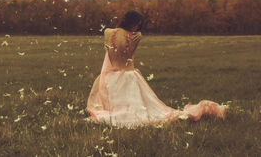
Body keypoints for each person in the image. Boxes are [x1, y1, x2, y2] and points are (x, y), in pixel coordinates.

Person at [86, 10, 226, 128]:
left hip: (111, 77)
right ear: (132, 23)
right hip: (127, 76)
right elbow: (129, 56)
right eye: (137, 25)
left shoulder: (108, 32)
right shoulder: (135, 36)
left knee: (121, 106)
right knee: (142, 110)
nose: (137, 28)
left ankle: (115, 112)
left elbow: (111, 55)